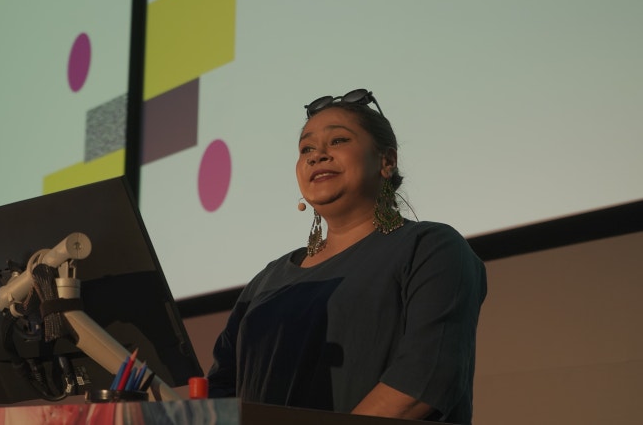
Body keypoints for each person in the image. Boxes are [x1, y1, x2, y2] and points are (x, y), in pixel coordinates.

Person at [207, 89, 487, 424]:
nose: (317, 155)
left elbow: (425, 377)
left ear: (386, 161)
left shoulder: (431, 248)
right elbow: (220, 389)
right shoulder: (268, 279)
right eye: (306, 148)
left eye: (338, 140)